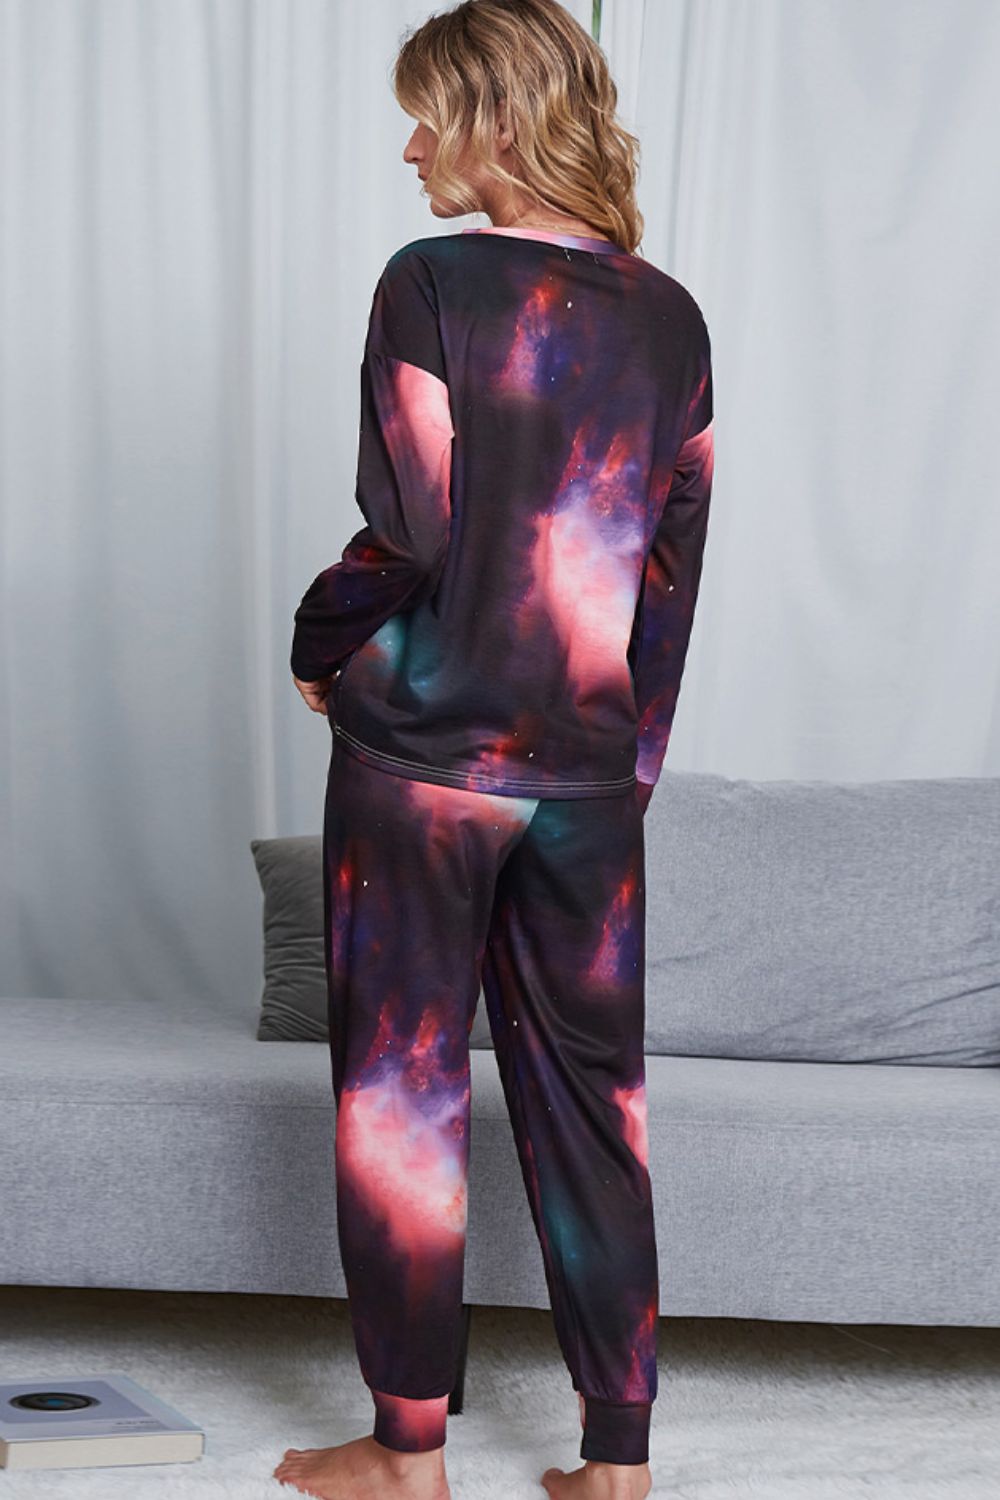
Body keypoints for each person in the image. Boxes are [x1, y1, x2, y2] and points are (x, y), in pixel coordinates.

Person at [274, 2, 713, 1497]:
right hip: (587, 777)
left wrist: (319, 647)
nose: (408, 148)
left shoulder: (433, 283)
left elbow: (410, 526)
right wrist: (626, 763)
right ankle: (617, 1466)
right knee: (599, 1102)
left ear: (497, 120)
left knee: (404, 1091)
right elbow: (668, 571)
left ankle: (408, 1456)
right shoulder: (672, 318)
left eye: (428, 115)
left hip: (424, 771)